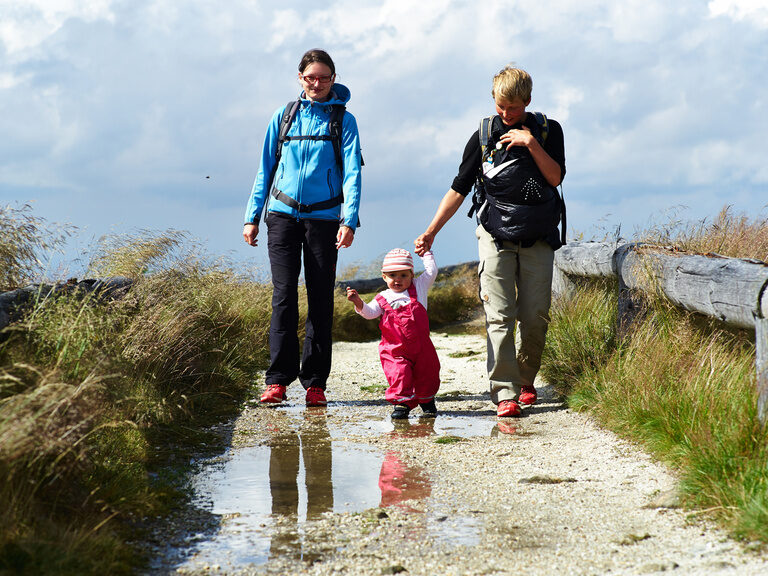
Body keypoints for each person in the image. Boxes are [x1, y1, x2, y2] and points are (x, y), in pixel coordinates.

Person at [414, 65, 566, 418]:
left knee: (535, 317)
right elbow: (459, 187)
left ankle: (526, 381)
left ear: (527, 101)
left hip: (539, 236)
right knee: (499, 315)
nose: (506, 113)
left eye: (513, 107)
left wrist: (530, 142)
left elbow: (555, 177)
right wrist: (432, 230)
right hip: (494, 234)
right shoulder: (483, 135)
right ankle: (505, 393)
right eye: (500, 105)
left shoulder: (547, 130)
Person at [243, 49, 362, 407]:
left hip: (324, 219)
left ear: (333, 79)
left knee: (321, 297)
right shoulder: (284, 116)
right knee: (283, 296)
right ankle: (277, 380)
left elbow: (353, 171)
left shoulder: (344, 120)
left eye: (324, 77)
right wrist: (252, 216)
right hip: (281, 215)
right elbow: (265, 168)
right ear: (300, 78)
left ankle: (314, 383)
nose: (317, 83)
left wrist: (349, 219)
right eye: (311, 77)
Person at [345, 248, 440, 420]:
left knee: (428, 373)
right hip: (394, 348)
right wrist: (358, 302)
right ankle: (402, 403)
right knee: (399, 374)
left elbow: (432, 271)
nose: (398, 279)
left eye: (403, 275)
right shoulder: (383, 297)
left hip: (422, 346)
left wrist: (426, 253)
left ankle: (426, 401)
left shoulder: (419, 286)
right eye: (392, 275)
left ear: (411, 275)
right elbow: (370, 313)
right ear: (384, 277)